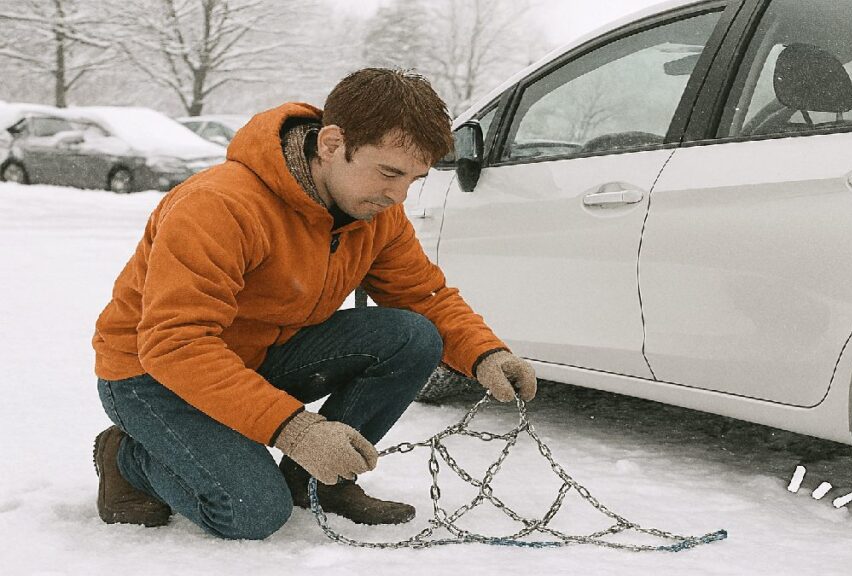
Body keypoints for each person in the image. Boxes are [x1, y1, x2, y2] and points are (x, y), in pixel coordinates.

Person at [91, 68, 537, 540]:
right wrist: (296, 430)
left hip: (258, 356)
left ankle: (319, 482)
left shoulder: (374, 211)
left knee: (411, 336)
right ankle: (127, 457)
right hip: (151, 374)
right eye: (389, 172)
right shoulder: (218, 205)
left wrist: (486, 353)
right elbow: (175, 344)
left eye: (413, 179)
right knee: (251, 511)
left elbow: (422, 295)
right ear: (331, 144)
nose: (398, 195)